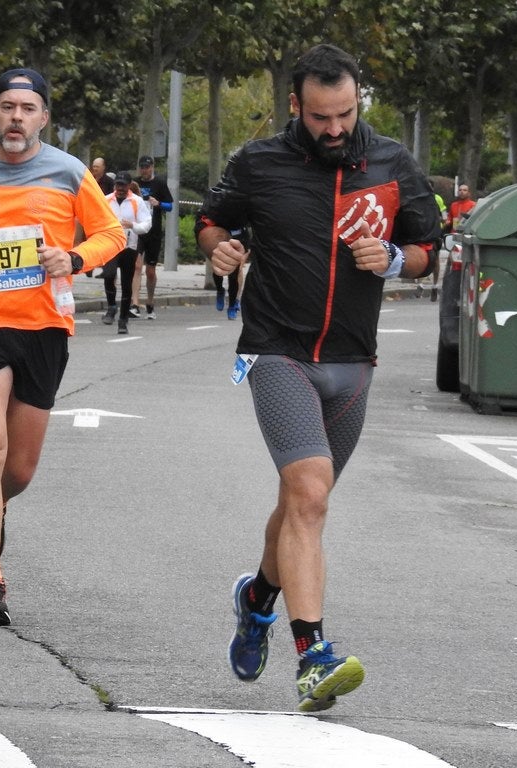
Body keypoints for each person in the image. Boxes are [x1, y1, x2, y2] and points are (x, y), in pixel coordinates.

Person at [196, 43, 441, 713]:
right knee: (309, 492)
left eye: (345, 114)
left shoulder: (393, 162)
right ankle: (313, 658)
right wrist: (216, 247)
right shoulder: (261, 163)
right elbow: (212, 219)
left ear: (358, 97)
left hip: (354, 362)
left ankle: (257, 600)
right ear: (296, 107)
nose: (334, 129)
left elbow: (428, 248)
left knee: (300, 504)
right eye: (320, 117)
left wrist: (394, 257)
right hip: (277, 350)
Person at [0, 68, 123, 627]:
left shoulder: (67, 171)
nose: (16, 117)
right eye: (7, 106)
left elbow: (113, 233)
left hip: (44, 327)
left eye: (27, 108)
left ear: (43, 118)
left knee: (20, 468)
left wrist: (77, 258)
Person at [102, 171, 152, 334]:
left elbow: (147, 224)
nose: (120, 188)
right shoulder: (106, 200)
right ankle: (111, 307)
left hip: (129, 246)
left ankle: (123, 320)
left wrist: (133, 226)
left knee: (126, 283)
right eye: (118, 185)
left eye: (123, 185)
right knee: (109, 275)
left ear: (129, 185)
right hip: (110, 245)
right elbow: (97, 220)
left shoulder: (136, 201)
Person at [131, 155, 173, 319]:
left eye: (147, 167)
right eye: (142, 167)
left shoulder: (160, 184)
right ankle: (134, 304)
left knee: (150, 271)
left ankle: (149, 301)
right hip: (138, 230)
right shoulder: (135, 183)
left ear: (152, 167)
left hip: (154, 231)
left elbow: (170, 205)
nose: (144, 170)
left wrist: (159, 204)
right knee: (136, 266)